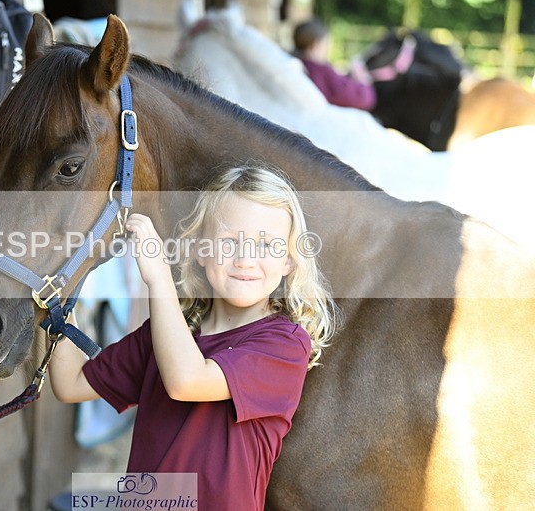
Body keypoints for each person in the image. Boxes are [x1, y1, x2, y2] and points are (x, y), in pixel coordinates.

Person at [50, 165, 338, 510]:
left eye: (266, 245)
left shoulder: (284, 344)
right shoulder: (168, 332)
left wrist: (159, 278)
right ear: (201, 250)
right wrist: (57, 296)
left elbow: (186, 381)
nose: (245, 259)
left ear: (289, 261)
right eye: (229, 242)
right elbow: (71, 383)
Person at [293, 17, 377, 111]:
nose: (329, 48)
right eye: (327, 43)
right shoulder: (320, 71)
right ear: (316, 45)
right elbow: (365, 99)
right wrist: (363, 80)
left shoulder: (297, 64)